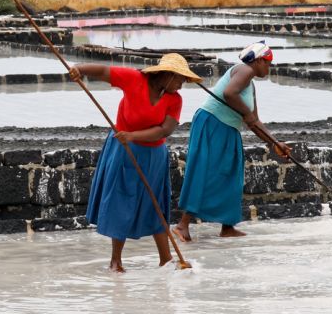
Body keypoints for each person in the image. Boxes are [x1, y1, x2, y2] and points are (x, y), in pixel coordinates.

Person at [69, 53, 202, 272]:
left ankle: (166, 259)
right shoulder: (134, 79)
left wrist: (133, 136)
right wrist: (79, 69)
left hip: (153, 155)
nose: (181, 85)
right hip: (124, 151)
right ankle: (115, 261)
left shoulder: (174, 99)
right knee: (122, 199)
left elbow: (165, 130)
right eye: (180, 79)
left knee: (156, 203)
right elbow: (103, 72)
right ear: (168, 75)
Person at [173, 41, 291, 242]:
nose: (269, 68)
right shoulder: (244, 70)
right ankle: (182, 225)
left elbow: (254, 122)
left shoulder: (250, 85)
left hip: (229, 129)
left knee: (232, 175)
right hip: (212, 124)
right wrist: (247, 115)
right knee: (206, 171)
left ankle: (227, 226)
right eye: (268, 63)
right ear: (260, 60)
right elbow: (229, 94)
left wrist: (274, 143)